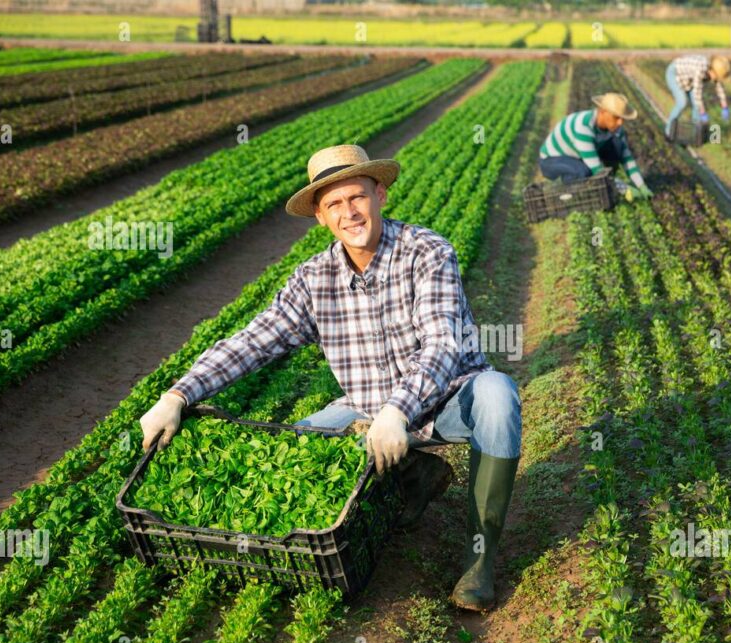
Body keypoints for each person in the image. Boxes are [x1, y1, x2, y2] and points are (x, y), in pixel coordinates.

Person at [139, 144, 522, 612]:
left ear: (380, 193)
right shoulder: (312, 280)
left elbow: (442, 345)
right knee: (293, 453)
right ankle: (412, 475)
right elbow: (253, 341)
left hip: (447, 399)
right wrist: (178, 394)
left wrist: (397, 411)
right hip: (364, 412)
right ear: (320, 216)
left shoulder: (428, 253)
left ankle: (479, 559)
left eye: (356, 197)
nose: (349, 213)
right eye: (334, 204)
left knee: (498, 395)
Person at [538, 91, 652, 199]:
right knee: (583, 172)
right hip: (551, 160)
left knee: (617, 146)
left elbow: (626, 157)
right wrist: (625, 189)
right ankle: (566, 194)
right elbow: (597, 169)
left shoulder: (616, 129)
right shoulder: (583, 127)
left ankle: (608, 184)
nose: (620, 122)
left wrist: (641, 185)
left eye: (622, 118)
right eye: (616, 117)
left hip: (576, 156)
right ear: (602, 112)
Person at [664, 54, 731, 142]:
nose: (716, 79)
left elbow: (719, 87)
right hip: (674, 74)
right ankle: (668, 132)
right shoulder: (700, 69)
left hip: (689, 80)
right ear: (712, 71)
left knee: (697, 106)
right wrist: (703, 114)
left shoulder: (712, 70)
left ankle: (695, 134)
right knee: (682, 102)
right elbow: (697, 94)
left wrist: (725, 107)